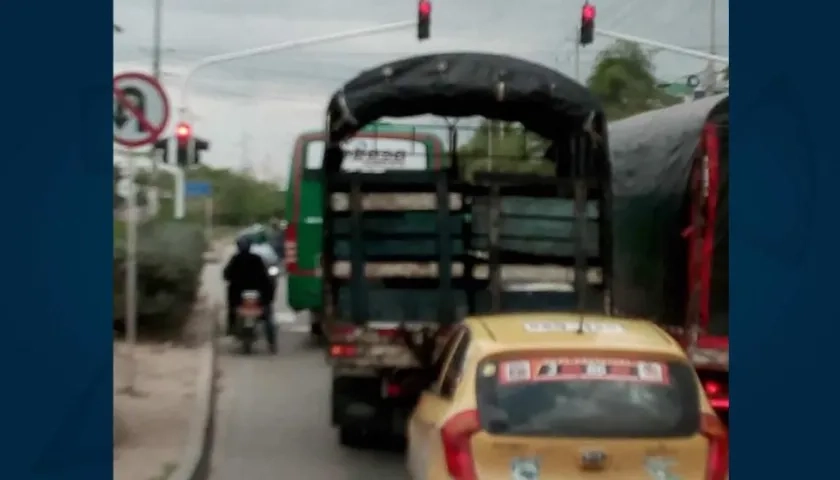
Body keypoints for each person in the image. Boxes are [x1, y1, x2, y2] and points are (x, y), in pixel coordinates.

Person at [223, 237, 277, 352]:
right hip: (258, 294)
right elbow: (265, 278)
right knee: (268, 316)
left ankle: (231, 328)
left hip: (238, 295)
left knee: (232, 310)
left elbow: (226, 274)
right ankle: (271, 342)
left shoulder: (235, 259)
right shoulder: (257, 259)